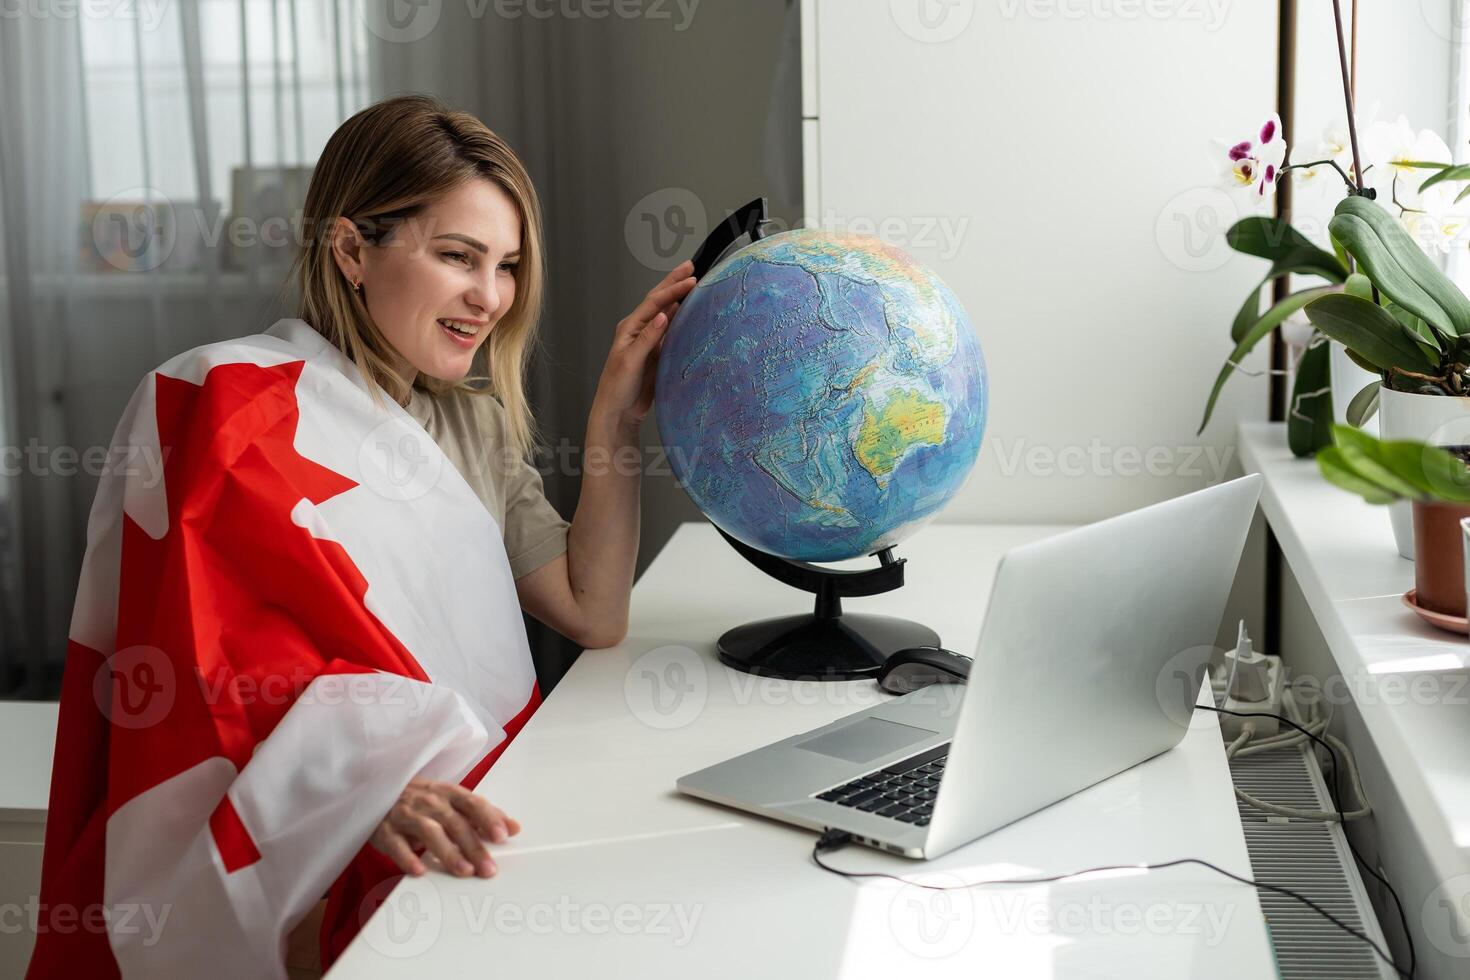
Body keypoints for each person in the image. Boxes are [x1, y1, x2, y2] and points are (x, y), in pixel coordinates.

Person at [28, 93, 696, 980]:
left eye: (504, 266)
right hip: (319, 845)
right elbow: (196, 667)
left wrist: (616, 414)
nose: (489, 297)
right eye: (459, 256)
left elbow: (592, 608)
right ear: (351, 249)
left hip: (475, 827)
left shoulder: (474, 424)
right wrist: (362, 787)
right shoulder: (221, 403)